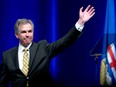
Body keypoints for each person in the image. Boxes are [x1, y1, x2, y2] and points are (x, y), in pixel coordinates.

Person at [0, 5, 95, 87]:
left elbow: (64, 42)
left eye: (30, 31)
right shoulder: (7, 55)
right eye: (23, 32)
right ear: (16, 34)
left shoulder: (42, 48)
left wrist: (80, 22)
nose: (27, 34)